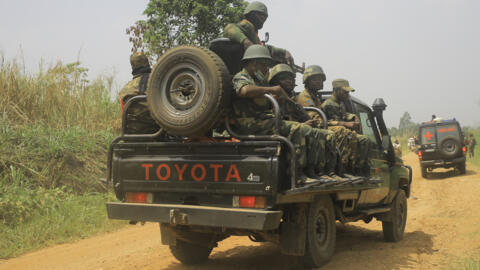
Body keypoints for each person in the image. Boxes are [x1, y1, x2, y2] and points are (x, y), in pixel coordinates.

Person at [231, 45, 327, 182]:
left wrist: (278, 99)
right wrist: (272, 89)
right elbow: (244, 91)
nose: (266, 69)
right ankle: (297, 174)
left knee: (310, 130)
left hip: (264, 122)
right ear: (253, 64)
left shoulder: (259, 81)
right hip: (250, 124)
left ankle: (312, 171)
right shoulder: (241, 77)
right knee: (300, 129)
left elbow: (265, 103)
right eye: (264, 65)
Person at [267, 63, 338, 176]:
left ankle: (320, 171)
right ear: (275, 81)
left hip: (290, 129)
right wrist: (303, 123)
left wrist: (306, 122)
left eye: (290, 78)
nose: (289, 81)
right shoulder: (270, 98)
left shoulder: (291, 100)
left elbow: (304, 117)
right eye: (284, 79)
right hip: (274, 132)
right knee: (304, 130)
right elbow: (273, 120)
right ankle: (299, 173)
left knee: (324, 133)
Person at [321, 79, 371, 175]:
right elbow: (325, 122)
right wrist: (345, 124)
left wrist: (353, 117)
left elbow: (343, 115)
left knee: (365, 140)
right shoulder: (328, 104)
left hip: (342, 132)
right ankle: (342, 167)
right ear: (337, 90)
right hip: (334, 133)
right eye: (345, 92)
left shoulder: (340, 103)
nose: (347, 95)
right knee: (346, 133)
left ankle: (357, 168)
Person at [223, 1, 294, 65]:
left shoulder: (253, 34)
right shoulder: (246, 26)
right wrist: (245, 41)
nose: (263, 18)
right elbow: (229, 28)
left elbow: (266, 48)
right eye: (260, 14)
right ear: (251, 14)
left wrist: (284, 52)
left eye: (265, 16)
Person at [118, 52, 159, 134]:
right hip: (159, 133)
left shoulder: (124, 91)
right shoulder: (160, 84)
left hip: (133, 134)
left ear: (132, 67)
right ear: (147, 63)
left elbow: (124, 116)